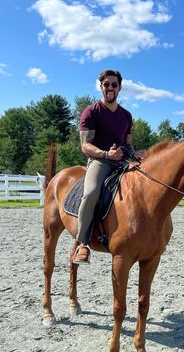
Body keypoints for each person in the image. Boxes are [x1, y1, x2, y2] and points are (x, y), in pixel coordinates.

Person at [73, 69, 140, 264]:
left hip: (122, 160)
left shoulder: (126, 116)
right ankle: (83, 242)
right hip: (100, 160)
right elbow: (85, 145)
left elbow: (128, 144)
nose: (110, 88)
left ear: (119, 87)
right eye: (106, 84)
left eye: (114, 85)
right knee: (92, 192)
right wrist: (105, 154)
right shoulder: (91, 112)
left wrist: (134, 154)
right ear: (100, 86)